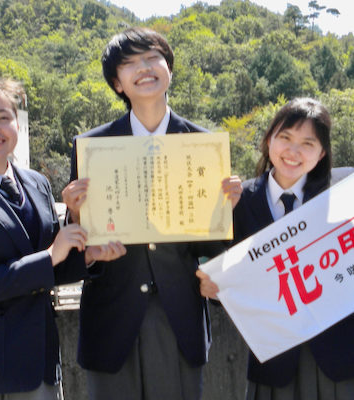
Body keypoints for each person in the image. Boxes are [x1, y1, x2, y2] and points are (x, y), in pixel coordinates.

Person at [62, 27, 242, 400]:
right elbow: (79, 247)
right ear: (117, 83)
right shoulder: (90, 148)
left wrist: (226, 211)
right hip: (112, 318)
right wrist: (75, 215)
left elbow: (213, 247)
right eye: (130, 64)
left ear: (169, 69)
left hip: (179, 315)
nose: (143, 68)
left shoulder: (203, 144)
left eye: (152, 58)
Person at [0, 78, 125, 400]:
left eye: (3, 117)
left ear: (18, 124)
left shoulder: (36, 183)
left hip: (38, 362)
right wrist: (52, 254)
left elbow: (49, 269)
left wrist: (87, 256)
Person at [197, 97, 354, 400]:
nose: (293, 152)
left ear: (322, 154)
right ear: (268, 140)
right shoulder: (237, 200)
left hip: (340, 360)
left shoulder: (342, 196)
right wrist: (211, 286)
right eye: (285, 138)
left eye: (308, 143)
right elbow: (219, 273)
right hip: (274, 364)